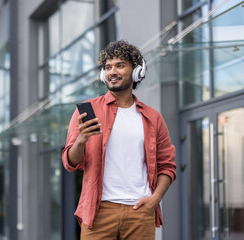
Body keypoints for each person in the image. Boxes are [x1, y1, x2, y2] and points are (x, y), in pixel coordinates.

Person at [61, 40, 176, 240]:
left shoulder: (153, 117)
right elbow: (70, 162)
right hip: (98, 212)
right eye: (107, 67)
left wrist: (155, 199)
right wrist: (81, 140)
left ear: (136, 71)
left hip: (140, 211)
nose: (112, 71)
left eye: (120, 65)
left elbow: (167, 165)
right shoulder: (88, 110)